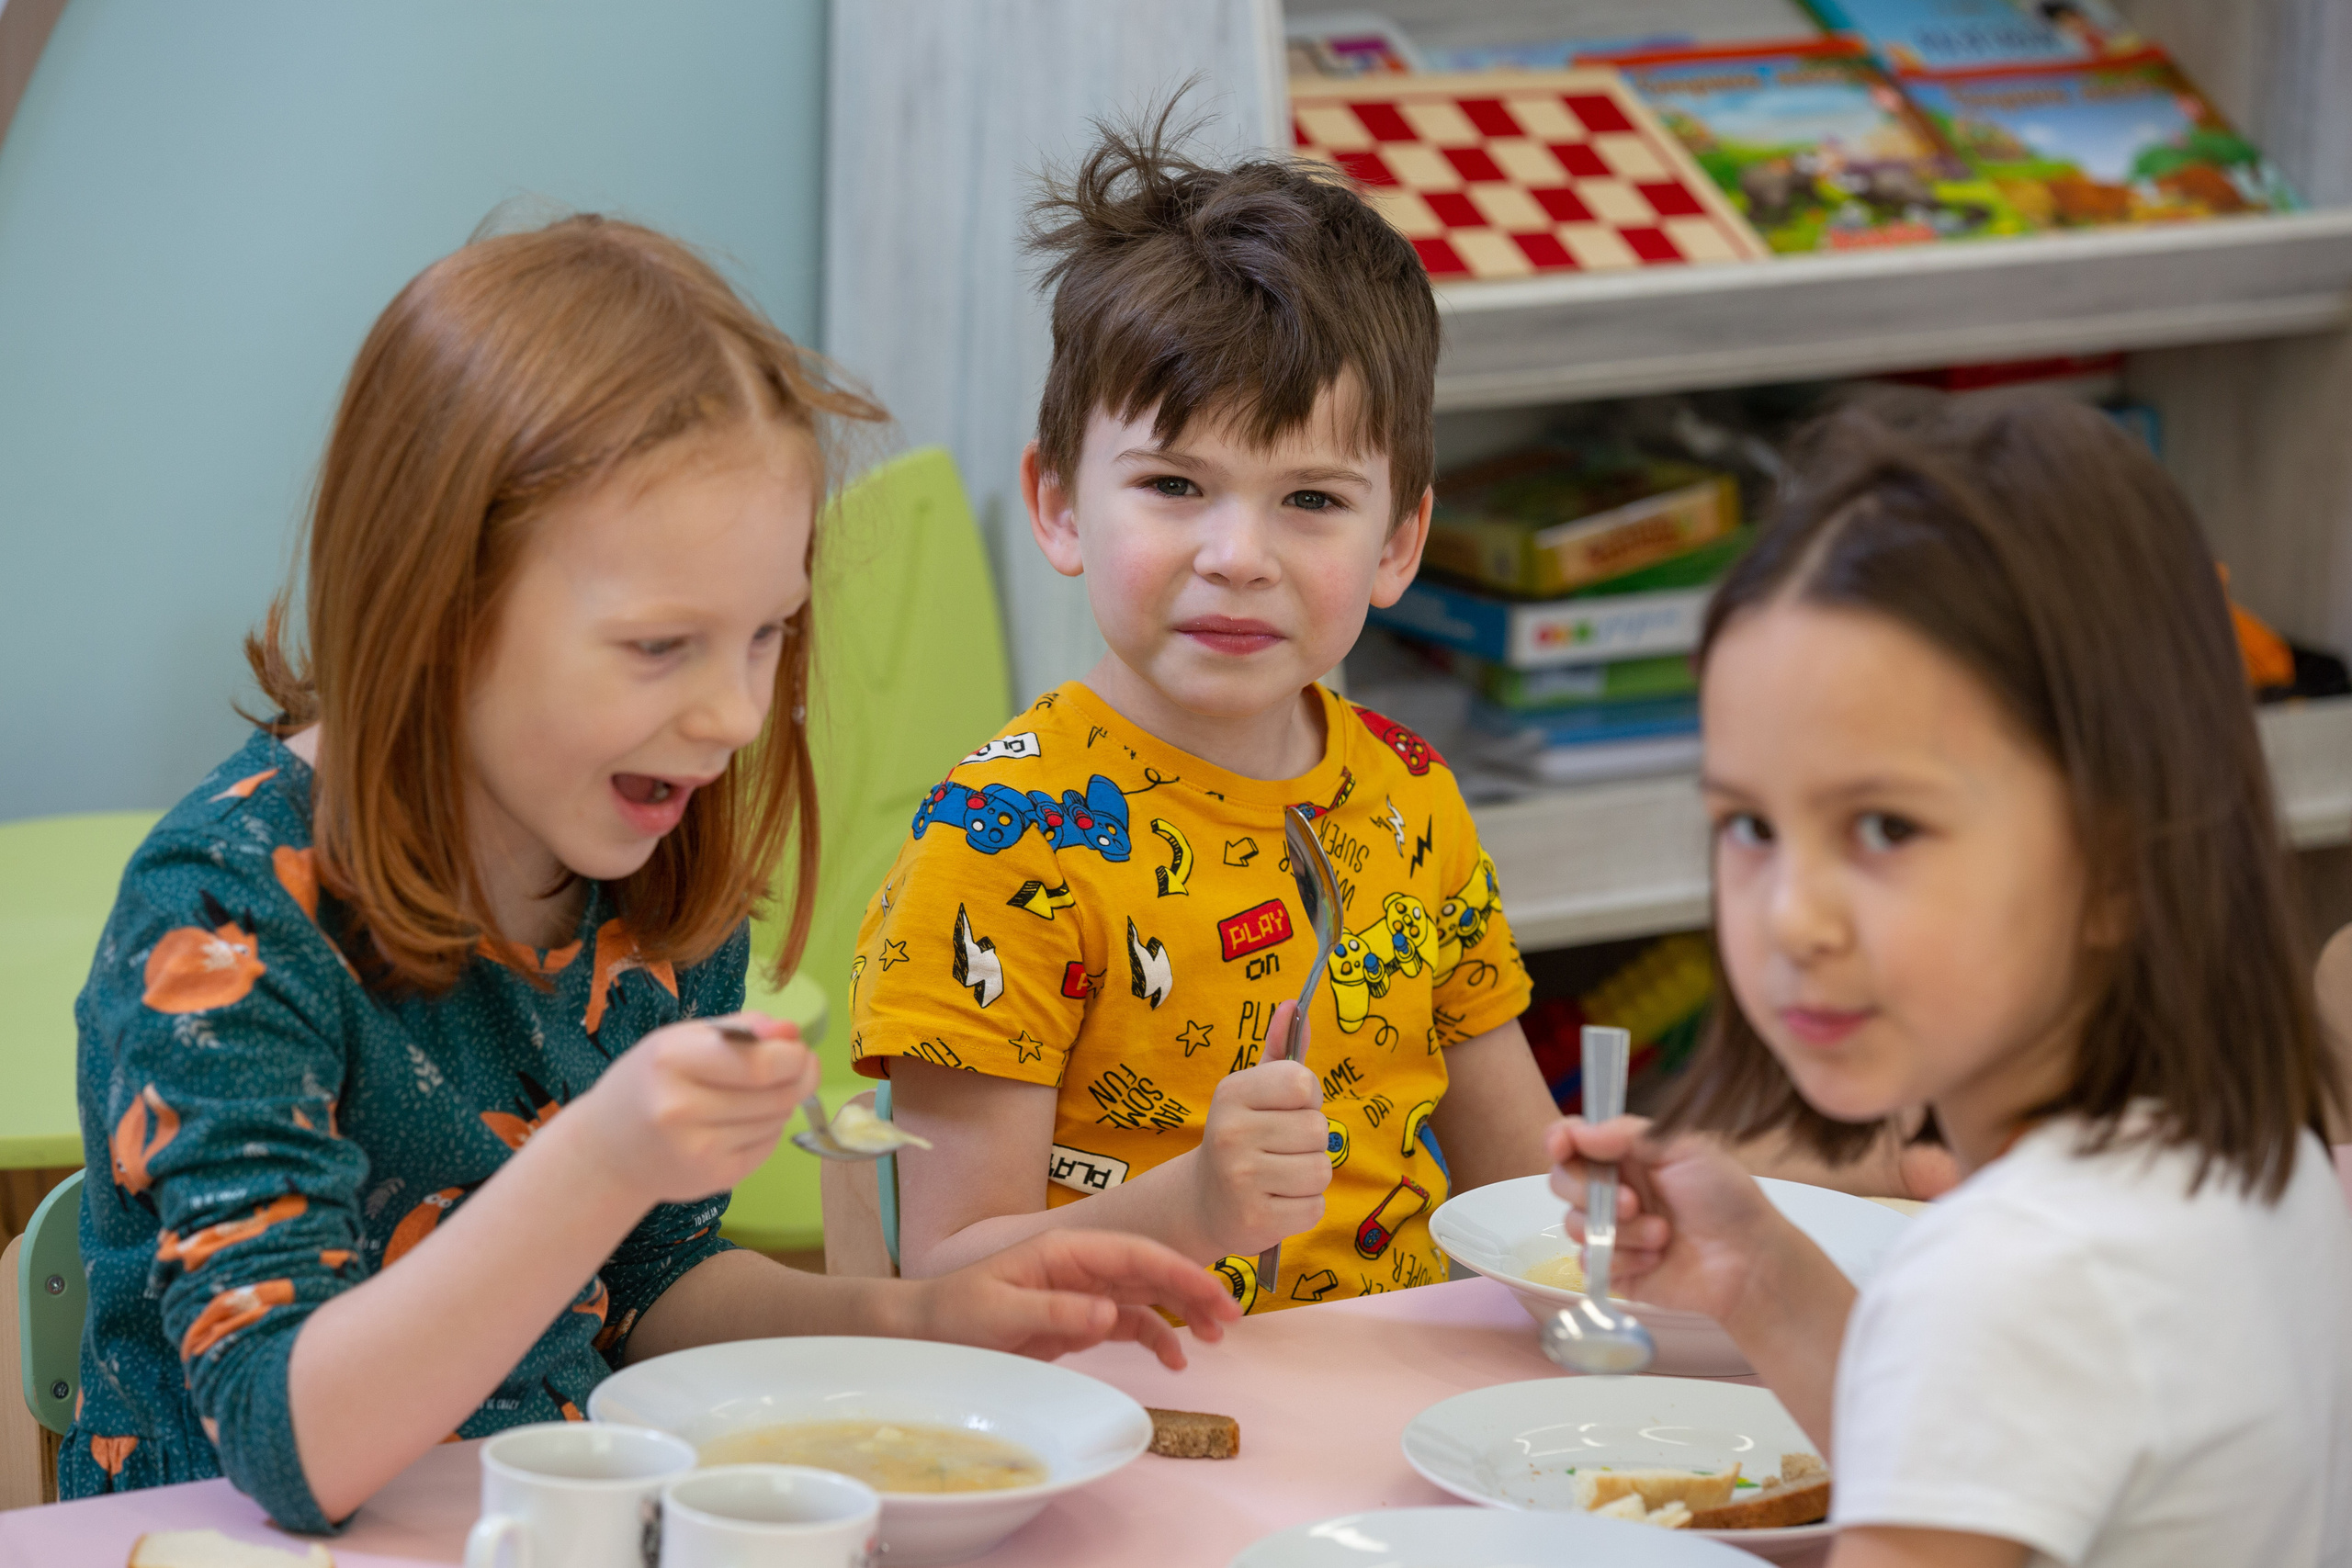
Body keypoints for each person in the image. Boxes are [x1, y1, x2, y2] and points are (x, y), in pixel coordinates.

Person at [66, 216, 1239, 1532]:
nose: (737, 715)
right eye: (661, 644)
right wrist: (606, 1157)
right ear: (439, 599)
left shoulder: (648, 877)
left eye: (765, 637)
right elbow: (286, 1442)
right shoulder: (227, 918)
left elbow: (649, 1286)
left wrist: (915, 1320)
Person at [1551, 397, 2352, 1566]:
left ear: (2119, 860)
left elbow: (1985, 1386)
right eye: (1749, 825)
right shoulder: (2259, 1161)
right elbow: (1988, 1473)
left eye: (1884, 826)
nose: (1793, 917)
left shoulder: (2010, 1280)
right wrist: (1761, 1281)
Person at [850, 112, 1556, 1313]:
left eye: (1311, 499)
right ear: (1062, 503)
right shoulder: (999, 839)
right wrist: (1189, 1205)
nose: (1238, 555)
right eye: (1175, 485)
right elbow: (946, 1276)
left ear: (1399, 543)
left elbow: (1529, 1190)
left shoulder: (1412, 798)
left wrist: (1645, 1198)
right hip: (1127, 1417)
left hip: (1404, 1402)